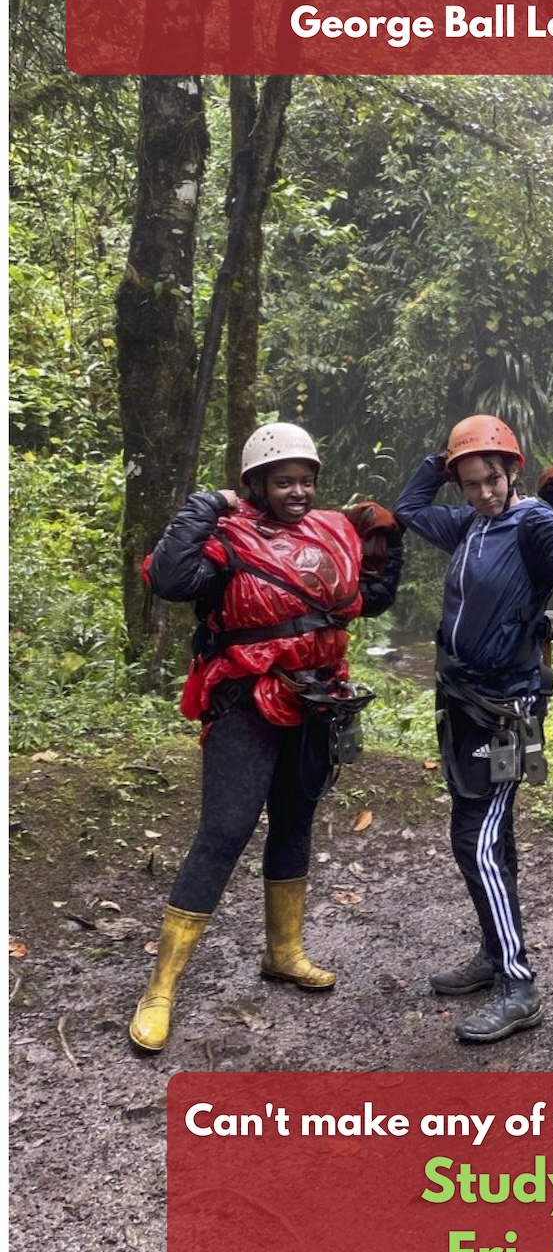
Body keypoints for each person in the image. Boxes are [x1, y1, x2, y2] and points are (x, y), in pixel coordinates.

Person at [130, 423, 403, 1052]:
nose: (299, 491)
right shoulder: (227, 537)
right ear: (257, 484)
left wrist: (391, 538)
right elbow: (170, 579)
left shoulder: (329, 533)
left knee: (294, 821)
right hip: (245, 701)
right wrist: (206, 505)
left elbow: (365, 599)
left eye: (306, 480)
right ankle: (161, 989)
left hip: (315, 698)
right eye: (285, 481)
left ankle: (285, 952)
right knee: (224, 833)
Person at [395, 414, 553, 1044]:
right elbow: (406, 509)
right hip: (461, 700)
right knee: (486, 833)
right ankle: (493, 950)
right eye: (470, 482)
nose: (482, 492)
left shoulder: (531, 521)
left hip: (508, 707)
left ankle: (518, 982)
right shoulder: (468, 524)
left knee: (476, 839)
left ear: (512, 472)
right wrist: (442, 459)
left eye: (491, 478)